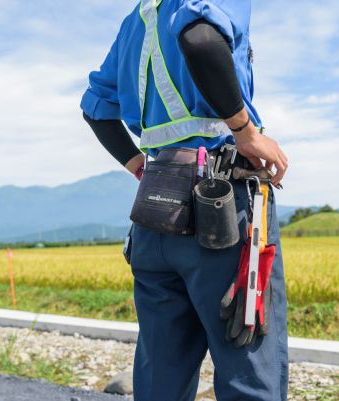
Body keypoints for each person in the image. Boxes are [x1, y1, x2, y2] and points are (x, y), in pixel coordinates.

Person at [80, 1, 289, 400]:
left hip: (155, 212)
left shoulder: (136, 21)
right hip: (222, 206)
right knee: (248, 363)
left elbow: (95, 107)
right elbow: (200, 37)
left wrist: (140, 167)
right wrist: (245, 132)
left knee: (161, 373)